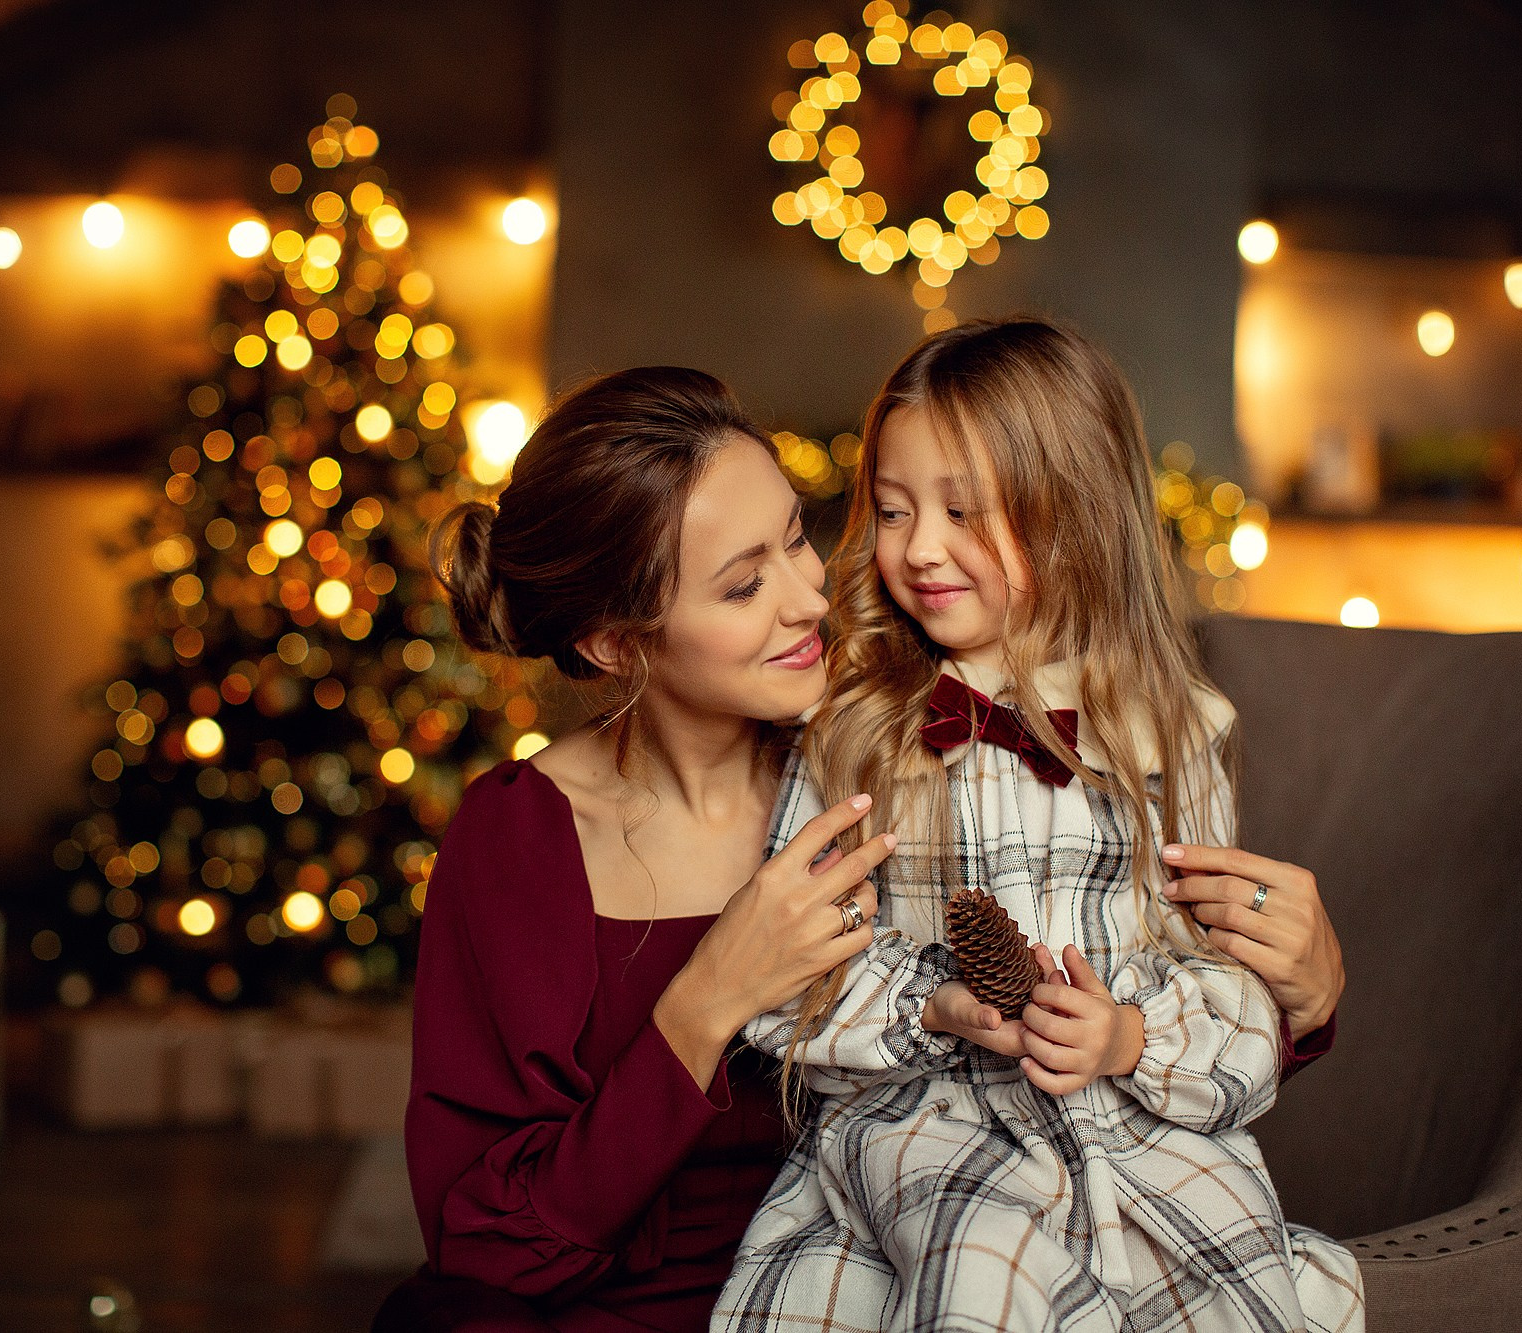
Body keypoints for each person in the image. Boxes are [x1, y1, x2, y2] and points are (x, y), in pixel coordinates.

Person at [384, 360, 1346, 1333]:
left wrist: (1301, 998)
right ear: (615, 644)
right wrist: (705, 1001)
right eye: (743, 583)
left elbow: (1089, 996)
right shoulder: (519, 841)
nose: (809, 598)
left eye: (797, 535)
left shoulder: (896, 733)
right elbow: (488, 1245)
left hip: (927, 1270)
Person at [710, 319, 1365, 1332]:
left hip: (1128, 1126)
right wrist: (935, 1003)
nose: (918, 547)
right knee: (981, 1260)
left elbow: (1222, 974)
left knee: (1254, 1293)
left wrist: (1125, 1036)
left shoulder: (1171, 733)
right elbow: (786, 980)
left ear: (1073, 514)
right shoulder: (853, 730)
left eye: (964, 512)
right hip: (925, 1123)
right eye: (890, 510)